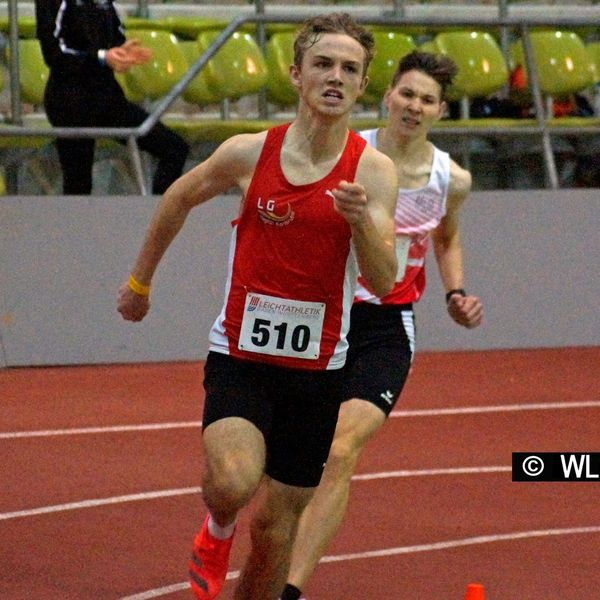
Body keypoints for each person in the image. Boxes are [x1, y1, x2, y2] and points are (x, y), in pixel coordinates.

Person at [117, 13, 399, 600]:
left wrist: (360, 223)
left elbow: (382, 276)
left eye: (350, 68)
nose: (335, 76)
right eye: (323, 63)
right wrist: (140, 284)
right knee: (233, 480)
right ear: (296, 75)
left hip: (319, 372)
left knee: (275, 532)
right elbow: (179, 196)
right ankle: (217, 528)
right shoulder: (249, 152)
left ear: (362, 86)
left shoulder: (372, 171)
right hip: (243, 355)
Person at [281, 50, 484, 600]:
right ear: (388, 96)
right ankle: (257, 544)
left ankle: (289, 589)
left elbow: (446, 237)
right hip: (321, 314)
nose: (414, 107)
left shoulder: (451, 179)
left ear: (440, 111)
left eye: (427, 100)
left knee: (341, 449)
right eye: (407, 94)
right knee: (289, 458)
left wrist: (457, 291)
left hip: (386, 326)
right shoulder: (349, 152)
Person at [35, 0, 189, 195]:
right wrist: (101, 57)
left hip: (106, 96)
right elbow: (54, 53)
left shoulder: (104, 3)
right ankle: (76, 223)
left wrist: (123, 52)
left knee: (174, 148)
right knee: (78, 182)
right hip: (70, 98)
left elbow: (114, 37)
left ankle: (158, 216)